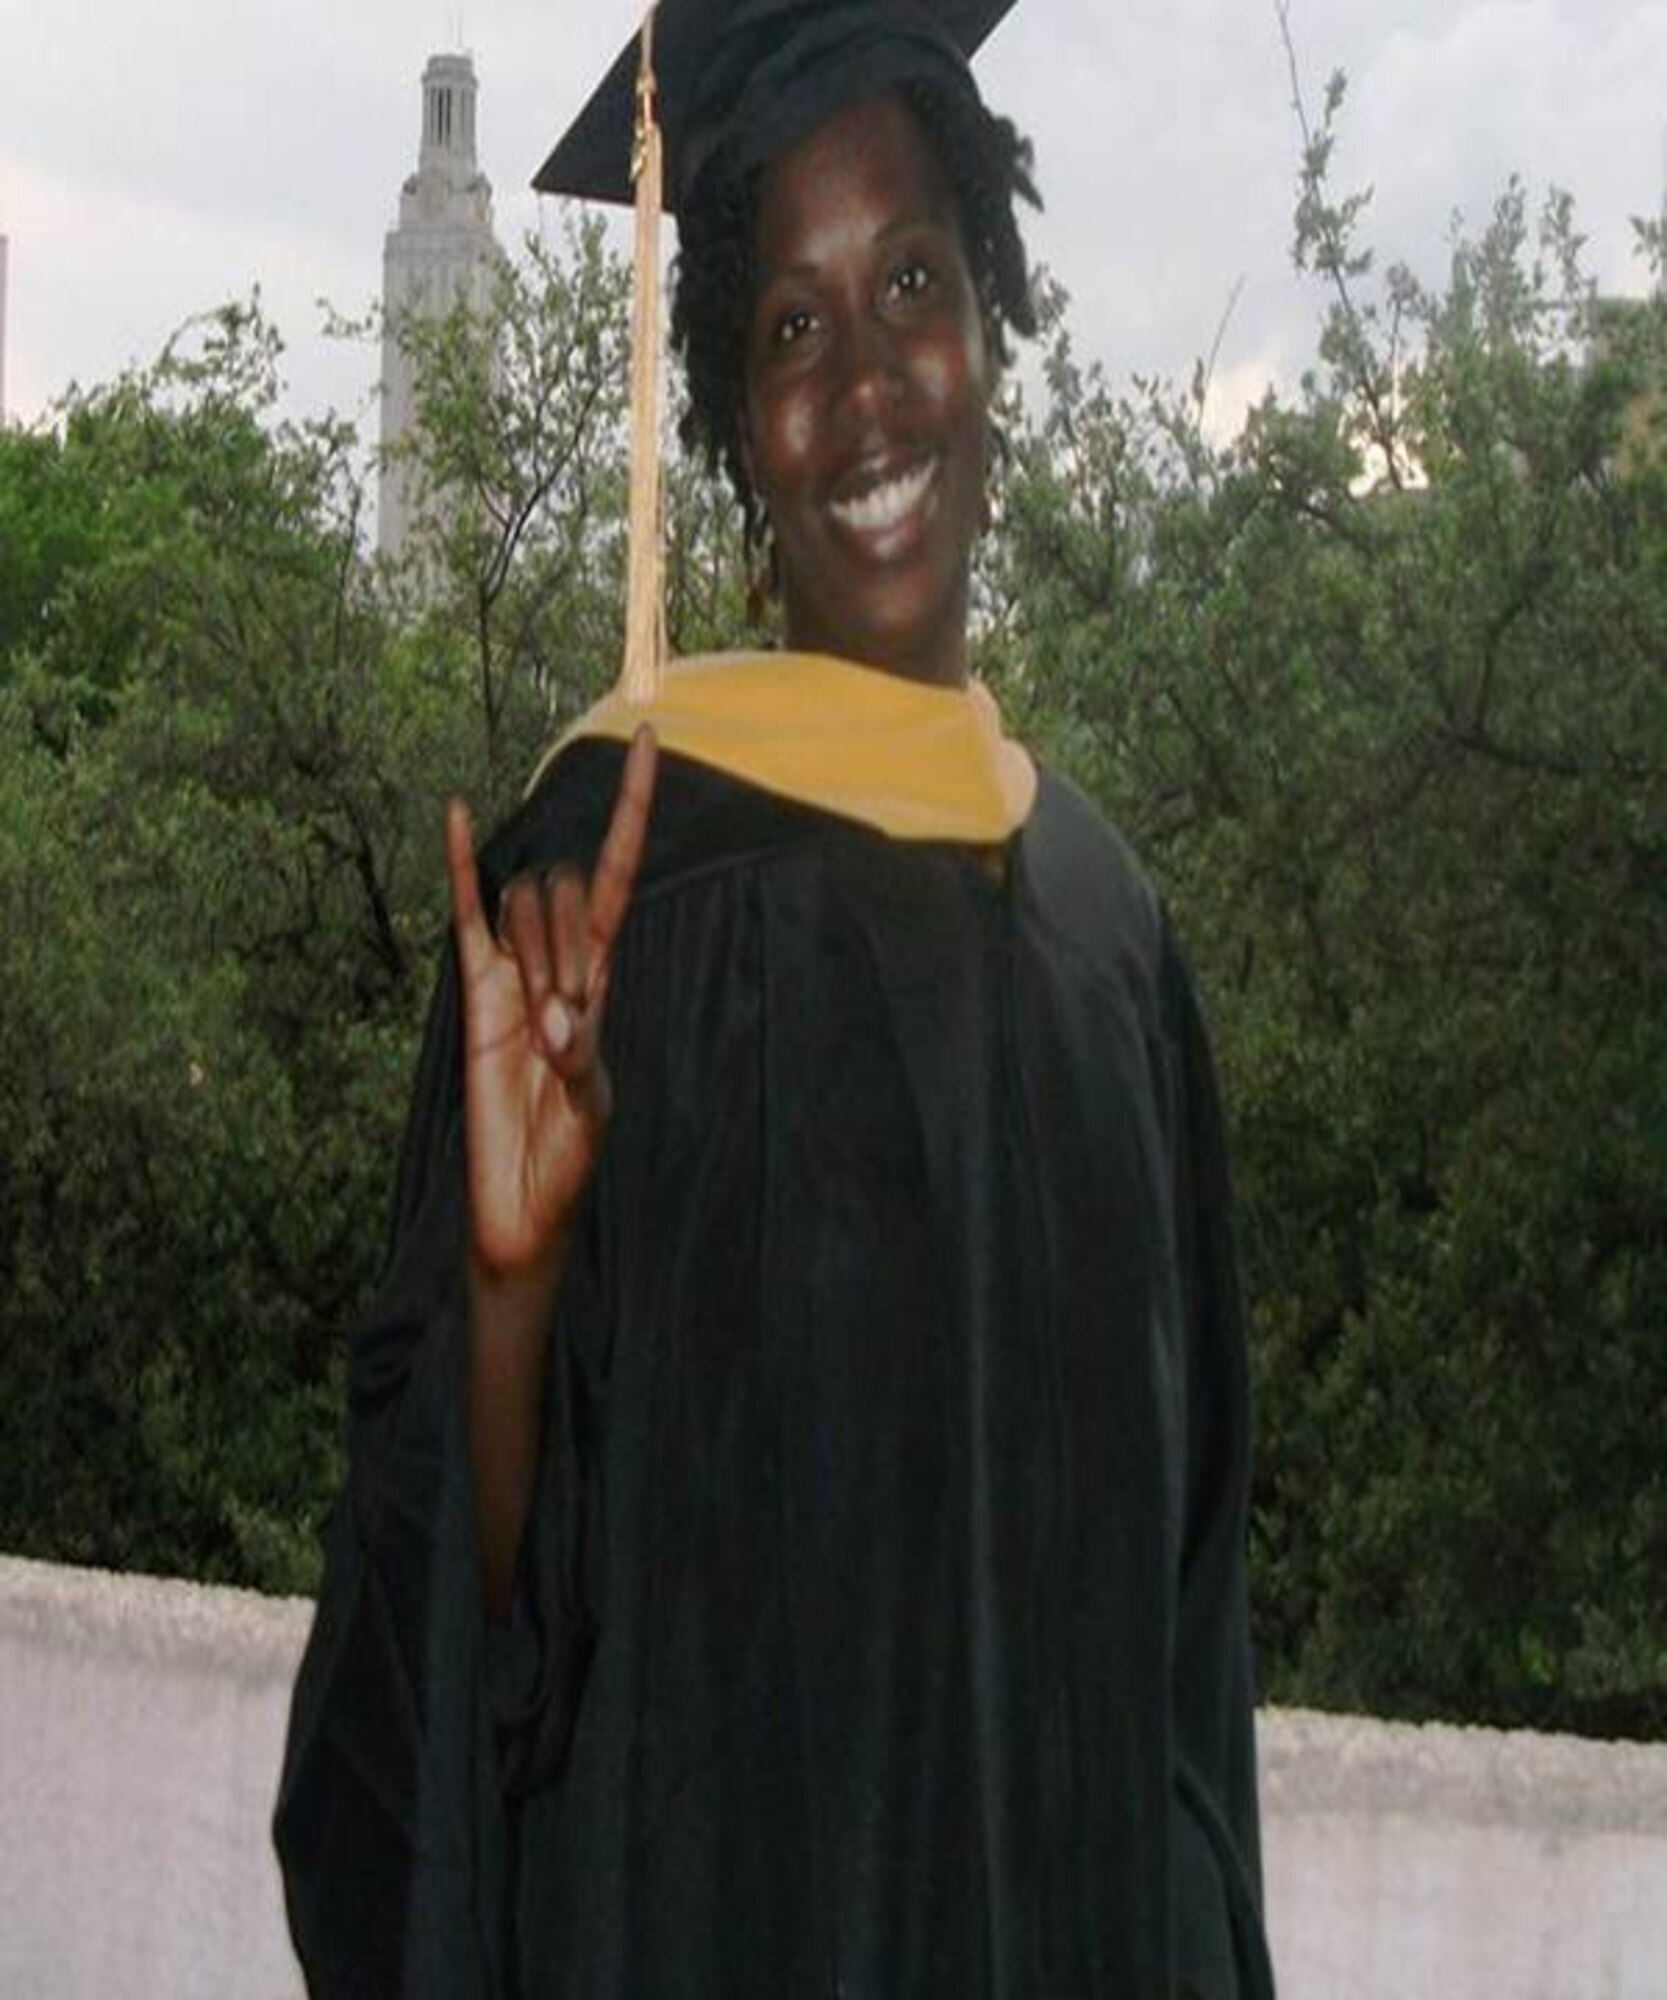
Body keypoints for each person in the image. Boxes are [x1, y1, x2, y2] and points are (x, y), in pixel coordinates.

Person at [275, 4, 1275, 1995]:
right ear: (737, 423)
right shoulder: (608, 893)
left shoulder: (1113, 949)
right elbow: (445, 1688)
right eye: (792, 330)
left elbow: (1184, 1674)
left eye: (911, 279)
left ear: (992, 313)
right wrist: (507, 1294)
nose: (868, 387)